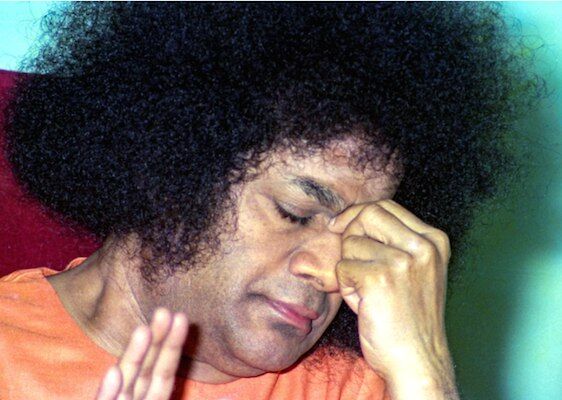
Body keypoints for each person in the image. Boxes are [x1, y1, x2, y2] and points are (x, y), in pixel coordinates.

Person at [0, 3, 537, 399]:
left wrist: (425, 371)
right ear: (168, 173)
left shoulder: (360, 386)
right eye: (295, 213)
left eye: (359, 238)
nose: (331, 271)